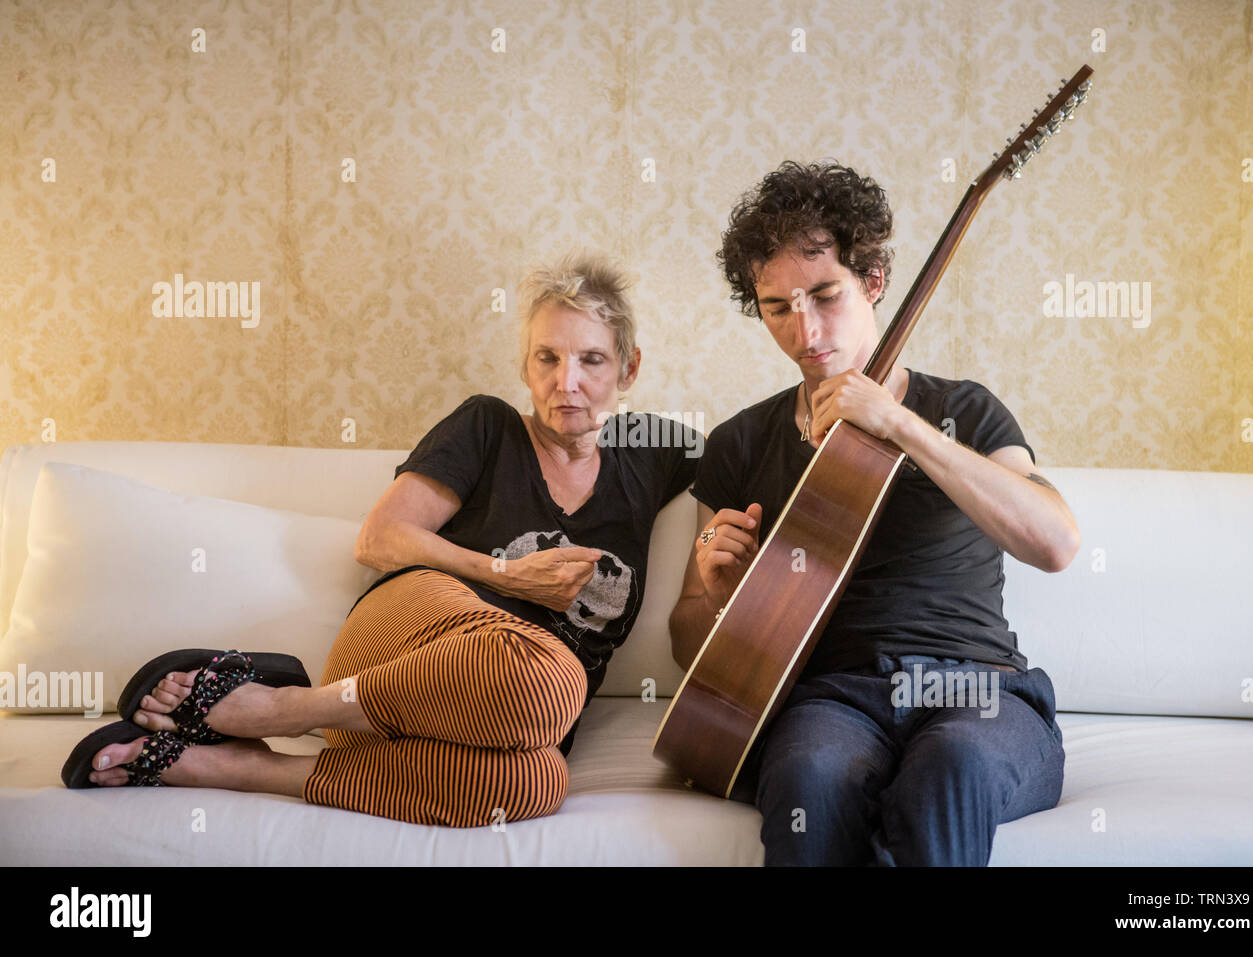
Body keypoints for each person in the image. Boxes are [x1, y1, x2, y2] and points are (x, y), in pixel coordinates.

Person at [75, 251, 701, 827]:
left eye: (591, 359)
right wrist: (506, 574)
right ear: (525, 365)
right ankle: (282, 709)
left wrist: (806, 411)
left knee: (536, 781)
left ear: (629, 366)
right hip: (399, 643)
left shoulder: (651, 452)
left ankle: (230, 765)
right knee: (553, 675)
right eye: (547, 358)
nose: (567, 382)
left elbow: (755, 452)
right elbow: (380, 539)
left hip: (501, 720)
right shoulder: (488, 427)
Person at [669, 161, 1081, 865]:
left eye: (826, 294)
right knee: (809, 777)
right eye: (777, 307)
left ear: (874, 282)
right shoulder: (740, 442)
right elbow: (685, 642)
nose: (806, 329)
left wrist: (899, 425)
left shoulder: (965, 410)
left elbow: (1055, 542)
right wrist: (715, 592)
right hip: (832, 700)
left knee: (950, 766)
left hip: (978, 691)